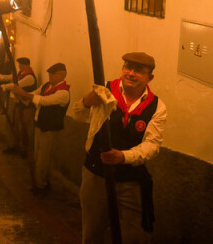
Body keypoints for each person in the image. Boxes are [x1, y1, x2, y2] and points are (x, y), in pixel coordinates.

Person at [71, 52, 166, 243]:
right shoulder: (104, 90)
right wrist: (86, 102)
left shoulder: (157, 106)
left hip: (131, 181)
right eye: (127, 67)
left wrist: (123, 157)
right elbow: (76, 114)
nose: (130, 73)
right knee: (92, 232)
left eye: (138, 70)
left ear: (150, 77)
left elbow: (152, 145)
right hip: (96, 175)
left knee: (136, 236)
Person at [11, 62, 69, 196]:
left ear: (61, 75)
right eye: (49, 73)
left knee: (44, 158)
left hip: (49, 128)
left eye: (52, 74)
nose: (49, 76)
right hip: (40, 125)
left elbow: (43, 101)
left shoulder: (63, 92)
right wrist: (22, 95)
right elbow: (33, 94)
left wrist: (24, 94)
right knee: (38, 156)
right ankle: (40, 181)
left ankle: (41, 184)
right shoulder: (46, 86)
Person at [0, 57, 37, 157]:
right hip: (18, 104)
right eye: (19, 64)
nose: (19, 66)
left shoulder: (29, 77)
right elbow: (9, 77)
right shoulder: (21, 74)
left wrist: (1, 86)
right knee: (15, 125)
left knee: (24, 127)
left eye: (21, 65)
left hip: (27, 107)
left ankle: (25, 149)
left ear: (26, 65)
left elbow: (15, 85)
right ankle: (15, 145)